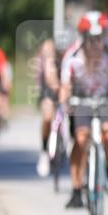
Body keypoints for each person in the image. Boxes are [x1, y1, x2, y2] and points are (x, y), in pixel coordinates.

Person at [61, 11, 108, 208]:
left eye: (99, 36)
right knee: (81, 138)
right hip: (81, 99)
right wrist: (64, 103)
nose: (95, 42)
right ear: (83, 36)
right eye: (91, 37)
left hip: (107, 97)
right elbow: (65, 86)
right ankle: (76, 189)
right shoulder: (72, 55)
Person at [35, 39, 61, 175]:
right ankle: (44, 151)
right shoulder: (48, 58)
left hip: (67, 89)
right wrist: (55, 86)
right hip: (49, 91)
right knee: (47, 116)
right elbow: (49, 76)